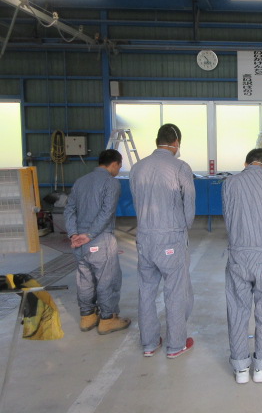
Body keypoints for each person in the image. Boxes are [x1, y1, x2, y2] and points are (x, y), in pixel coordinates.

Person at [129, 124, 196, 359]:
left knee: (146, 290)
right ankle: (176, 344)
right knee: (175, 291)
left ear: (157, 141)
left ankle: (149, 343)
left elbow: (137, 201)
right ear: (176, 142)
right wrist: (183, 230)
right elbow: (189, 204)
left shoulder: (137, 168)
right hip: (171, 238)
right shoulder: (180, 167)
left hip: (144, 237)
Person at [223, 148, 262, 384]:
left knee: (237, 309)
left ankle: (240, 368)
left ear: (246, 163)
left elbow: (228, 218)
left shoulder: (229, 183)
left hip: (238, 254)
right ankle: (261, 367)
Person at [64, 149, 131, 335]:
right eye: (119, 166)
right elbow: (107, 212)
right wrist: (90, 234)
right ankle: (107, 319)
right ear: (115, 164)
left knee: (84, 279)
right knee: (107, 279)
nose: (118, 170)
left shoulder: (80, 181)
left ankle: (87, 317)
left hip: (79, 243)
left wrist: (73, 234)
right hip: (100, 239)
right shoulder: (111, 183)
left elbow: (69, 210)